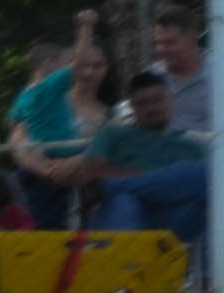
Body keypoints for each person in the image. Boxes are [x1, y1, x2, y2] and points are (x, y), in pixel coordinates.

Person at [7, 13, 116, 231]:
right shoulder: (47, 100)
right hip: (38, 184)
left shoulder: (112, 114)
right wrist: (48, 170)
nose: (89, 71)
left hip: (86, 188)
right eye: (84, 64)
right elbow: (18, 140)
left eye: (98, 65)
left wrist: (73, 164)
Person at [91, 70, 213, 245]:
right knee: (124, 202)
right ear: (132, 107)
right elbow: (96, 177)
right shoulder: (112, 135)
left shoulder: (191, 144)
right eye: (143, 103)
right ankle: (127, 270)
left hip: (173, 219)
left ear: (170, 100)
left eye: (157, 100)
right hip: (127, 215)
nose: (152, 108)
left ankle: (122, 186)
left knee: (204, 172)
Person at [152, 4, 215, 135]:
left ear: (192, 40)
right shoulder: (152, 77)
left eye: (170, 43)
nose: (162, 50)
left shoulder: (223, 76)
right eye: (158, 43)